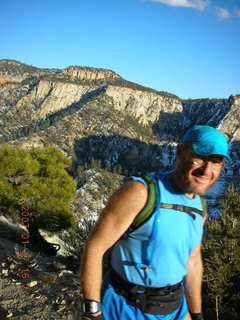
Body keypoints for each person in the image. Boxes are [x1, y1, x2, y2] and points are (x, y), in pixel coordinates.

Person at [79, 125, 231, 320]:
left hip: (175, 309)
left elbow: (193, 261)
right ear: (179, 151)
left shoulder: (200, 207)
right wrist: (92, 311)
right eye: (199, 158)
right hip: (125, 308)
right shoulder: (140, 192)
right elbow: (95, 247)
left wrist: (196, 313)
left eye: (216, 162)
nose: (206, 170)